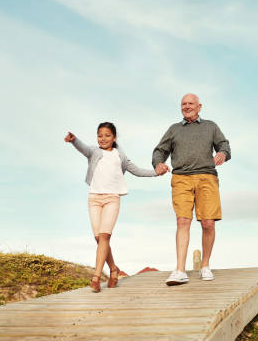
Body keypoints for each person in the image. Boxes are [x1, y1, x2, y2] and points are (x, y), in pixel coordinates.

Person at [65, 122, 165, 292]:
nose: (103, 139)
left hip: (112, 199)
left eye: (107, 135)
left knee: (104, 236)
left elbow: (137, 170)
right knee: (98, 238)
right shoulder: (94, 152)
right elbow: (82, 148)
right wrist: (74, 140)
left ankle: (96, 277)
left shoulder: (120, 156)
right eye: (100, 135)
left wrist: (156, 172)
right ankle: (113, 269)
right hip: (94, 199)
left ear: (114, 137)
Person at [153, 94, 231, 286]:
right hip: (181, 178)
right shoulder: (174, 129)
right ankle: (180, 270)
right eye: (183, 104)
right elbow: (159, 151)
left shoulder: (210, 126)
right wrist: (158, 164)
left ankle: (205, 265)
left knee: (208, 223)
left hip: (207, 177)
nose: (187, 106)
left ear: (199, 106)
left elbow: (224, 144)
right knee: (182, 221)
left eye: (190, 104)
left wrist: (222, 153)